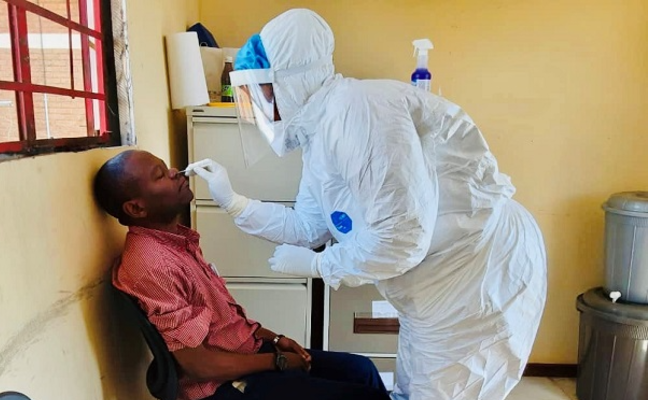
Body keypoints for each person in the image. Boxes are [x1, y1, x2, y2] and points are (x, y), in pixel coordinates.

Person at [186, 8, 547, 400]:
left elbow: (401, 239)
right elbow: (308, 226)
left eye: (262, 92)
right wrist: (234, 203)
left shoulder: (358, 111)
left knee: (444, 392)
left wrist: (322, 265)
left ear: (290, 78)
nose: (260, 107)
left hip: (474, 270)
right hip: (437, 277)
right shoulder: (322, 132)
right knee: (419, 388)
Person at [93, 150, 389, 400]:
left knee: (362, 370)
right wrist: (279, 361)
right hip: (219, 386)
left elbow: (226, 321)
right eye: (160, 175)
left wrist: (277, 339)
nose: (175, 172)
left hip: (246, 354)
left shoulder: (176, 242)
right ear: (136, 207)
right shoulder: (151, 264)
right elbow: (201, 367)